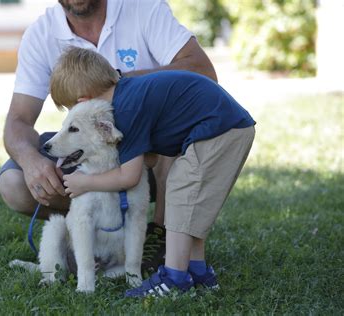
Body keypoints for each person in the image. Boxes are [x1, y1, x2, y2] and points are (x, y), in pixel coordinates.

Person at [0, 0, 217, 273]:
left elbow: (203, 71)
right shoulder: (41, 33)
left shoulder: (143, 8)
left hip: (152, 154)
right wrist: (31, 162)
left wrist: (118, 85)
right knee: (13, 184)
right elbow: (18, 121)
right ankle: (97, 234)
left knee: (173, 133)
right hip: (92, 150)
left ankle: (159, 234)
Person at [48, 47, 255, 297]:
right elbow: (152, 158)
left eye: (72, 109)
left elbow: (129, 177)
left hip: (220, 129)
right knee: (193, 202)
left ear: (84, 101)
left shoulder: (126, 109)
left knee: (182, 193)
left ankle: (175, 278)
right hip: (226, 125)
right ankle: (198, 272)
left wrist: (85, 183)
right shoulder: (130, 95)